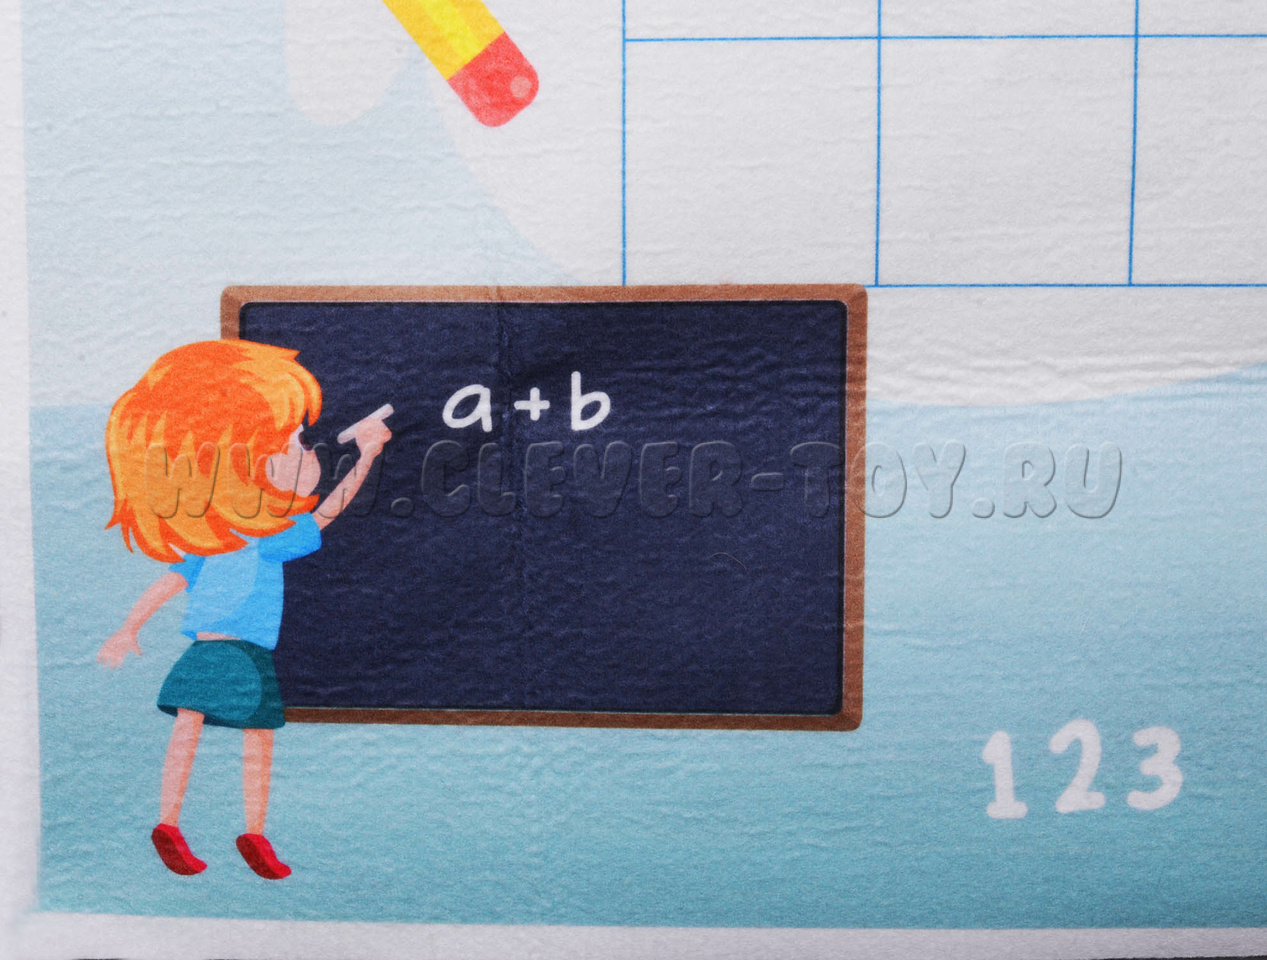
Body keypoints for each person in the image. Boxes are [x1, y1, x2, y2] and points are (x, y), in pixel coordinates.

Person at [96, 339, 391, 879]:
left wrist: (129, 628)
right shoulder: (256, 539)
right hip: (238, 653)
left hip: (223, 652)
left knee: (207, 729)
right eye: (292, 442)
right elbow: (328, 513)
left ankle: (198, 826)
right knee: (243, 737)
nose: (308, 454)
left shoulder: (221, 541)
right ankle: (227, 829)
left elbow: (170, 582)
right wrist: (367, 455)